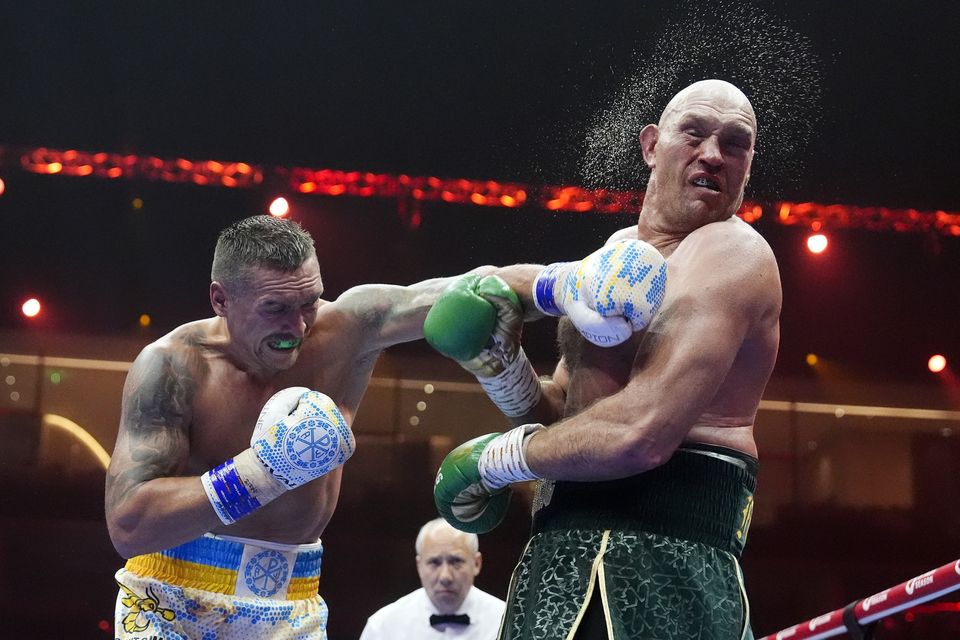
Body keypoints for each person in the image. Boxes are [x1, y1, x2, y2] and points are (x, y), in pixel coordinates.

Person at [429, 79, 781, 639]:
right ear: (650, 146)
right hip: (556, 556)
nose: (713, 154)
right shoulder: (615, 257)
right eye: (694, 133)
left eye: (735, 143)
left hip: (671, 558)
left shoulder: (733, 253)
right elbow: (565, 419)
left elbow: (641, 432)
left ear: (747, 166)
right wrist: (500, 367)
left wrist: (491, 461)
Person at [104, 214, 508, 640]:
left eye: (309, 303)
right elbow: (129, 526)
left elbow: (480, 289)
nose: (297, 328)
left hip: (292, 604)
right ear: (221, 300)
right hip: (171, 603)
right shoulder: (173, 366)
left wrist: (560, 285)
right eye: (276, 308)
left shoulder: (349, 329)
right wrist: (263, 472)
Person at [359, 518, 506, 639]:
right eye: (434, 562)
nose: (445, 577)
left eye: (456, 561)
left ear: (476, 563)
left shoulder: (507, 621)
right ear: (419, 566)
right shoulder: (383, 627)